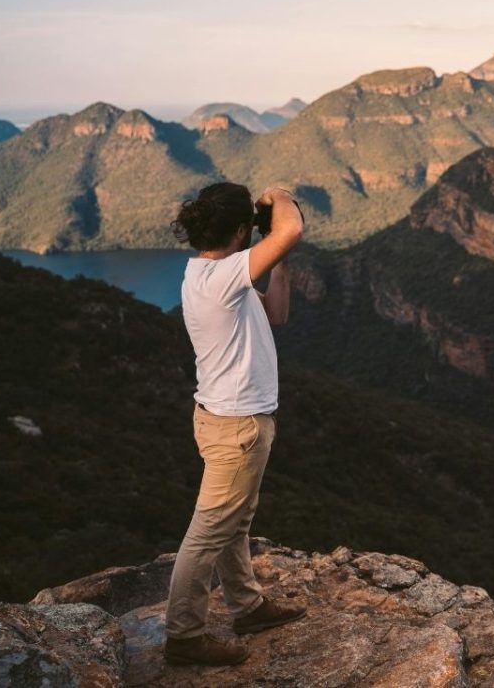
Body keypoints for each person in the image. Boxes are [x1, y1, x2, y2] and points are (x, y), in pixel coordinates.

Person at [162, 182, 306, 666]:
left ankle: (247, 606)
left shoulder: (207, 273)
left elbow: (278, 314)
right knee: (207, 533)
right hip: (237, 427)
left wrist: (276, 258)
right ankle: (184, 638)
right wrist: (280, 197)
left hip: (225, 420)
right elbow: (293, 229)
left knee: (235, 522)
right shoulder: (222, 276)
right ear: (242, 231)